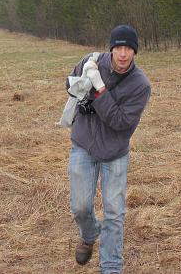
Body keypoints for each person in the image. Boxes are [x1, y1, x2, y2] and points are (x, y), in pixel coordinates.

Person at [66, 25, 151, 274]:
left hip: (115, 153)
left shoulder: (140, 85)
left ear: (135, 51)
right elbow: (70, 84)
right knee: (80, 206)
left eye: (128, 49)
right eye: (118, 48)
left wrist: (99, 90)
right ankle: (90, 233)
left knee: (114, 213)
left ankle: (111, 266)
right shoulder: (91, 61)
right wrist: (82, 89)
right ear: (111, 48)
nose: (123, 54)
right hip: (84, 144)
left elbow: (120, 122)